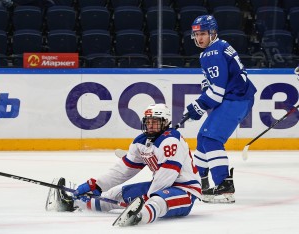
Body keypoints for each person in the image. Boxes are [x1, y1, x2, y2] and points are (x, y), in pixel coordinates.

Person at [46, 103, 202, 227]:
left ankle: (139, 216)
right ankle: (73, 202)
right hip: (159, 187)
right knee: (116, 194)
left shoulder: (171, 140)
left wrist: (148, 197)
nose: (150, 126)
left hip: (185, 190)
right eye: (148, 122)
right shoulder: (141, 142)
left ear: (165, 122)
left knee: (157, 201)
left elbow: (167, 175)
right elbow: (123, 171)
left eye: (155, 122)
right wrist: (97, 184)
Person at [183, 15, 257, 203]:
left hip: (235, 99)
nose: (199, 38)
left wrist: (198, 106)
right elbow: (212, 84)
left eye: (203, 34)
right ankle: (199, 182)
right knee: (203, 137)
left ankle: (224, 186)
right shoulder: (218, 47)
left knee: (211, 138)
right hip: (237, 98)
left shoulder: (212, 53)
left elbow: (217, 92)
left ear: (213, 33)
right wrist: (201, 102)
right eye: (196, 34)